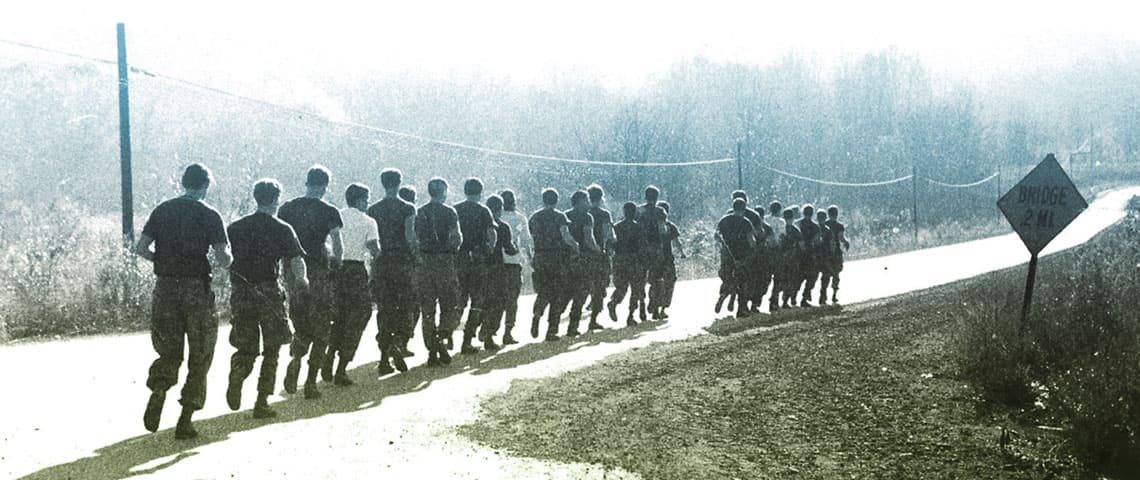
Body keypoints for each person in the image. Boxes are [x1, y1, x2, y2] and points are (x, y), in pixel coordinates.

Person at [134, 163, 231, 439]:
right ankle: (185, 419)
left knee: (168, 349)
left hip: (164, 287)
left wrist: (161, 261)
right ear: (205, 186)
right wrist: (227, 260)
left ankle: (160, 388)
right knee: (201, 352)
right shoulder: (210, 214)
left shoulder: (162, 210)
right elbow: (224, 258)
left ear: (183, 183)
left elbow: (141, 248)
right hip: (196, 289)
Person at [225, 179, 308, 419]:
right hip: (269, 290)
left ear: (256, 197)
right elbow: (295, 259)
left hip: (241, 289)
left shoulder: (235, 227)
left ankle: (238, 373)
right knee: (273, 347)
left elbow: (225, 257)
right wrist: (302, 281)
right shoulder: (282, 227)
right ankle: (262, 402)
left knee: (246, 342)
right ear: (275, 199)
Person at [278, 165, 343, 399]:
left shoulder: (287, 207)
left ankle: (296, 358)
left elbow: (278, 237)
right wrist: (337, 263)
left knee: (301, 319)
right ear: (325, 186)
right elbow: (337, 241)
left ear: (307, 183)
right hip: (318, 269)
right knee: (322, 324)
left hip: (292, 271)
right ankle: (311, 382)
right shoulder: (329, 210)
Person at [324, 183, 380, 384]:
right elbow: (374, 248)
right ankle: (341, 366)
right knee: (359, 317)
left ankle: (329, 353)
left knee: (339, 314)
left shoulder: (335, 215)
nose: (368, 203)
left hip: (335, 269)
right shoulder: (368, 221)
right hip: (356, 270)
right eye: (367, 199)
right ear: (359, 200)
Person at [366, 168, 418, 375]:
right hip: (402, 263)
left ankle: (383, 359)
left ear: (382, 183)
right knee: (406, 306)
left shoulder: (373, 209)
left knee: (385, 310)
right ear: (399, 183)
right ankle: (399, 341)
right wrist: (417, 258)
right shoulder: (407, 207)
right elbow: (410, 237)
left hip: (381, 263)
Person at [415, 178, 462, 366]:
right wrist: (452, 250)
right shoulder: (450, 212)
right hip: (444, 261)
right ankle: (442, 337)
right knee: (449, 305)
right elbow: (456, 237)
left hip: (425, 263)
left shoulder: (420, 212)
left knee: (427, 310)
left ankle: (432, 349)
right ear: (443, 191)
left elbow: (415, 238)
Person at [529, 188, 579, 341]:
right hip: (557, 258)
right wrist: (575, 246)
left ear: (543, 200)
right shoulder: (560, 216)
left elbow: (531, 238)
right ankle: (552, 330)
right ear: (556, 200)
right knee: (557, 294)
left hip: (540, 256)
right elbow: (565, 236)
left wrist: (533, 256)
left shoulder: (534, 217)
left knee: (544, 290)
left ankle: (537, 313)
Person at [455, 178, 498, 354]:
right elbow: (492, 234)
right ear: (480, 192)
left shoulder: (456, 209)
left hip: (459, 259)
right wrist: (488, 250)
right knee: (477, 301)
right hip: (478, 260)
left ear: (465, 191)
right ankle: (467, 341)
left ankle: (445, 334)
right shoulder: (483, 210)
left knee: (459, 300)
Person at [482, 194, 520, 346]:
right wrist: (515, 247)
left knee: (482, 300)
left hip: (479, 266)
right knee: (499, 302)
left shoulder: (478, 223)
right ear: (500, 209)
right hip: (497, 268)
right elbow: (510, 249)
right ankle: (490, 334)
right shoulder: (503, 227)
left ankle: (477, 328)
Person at [495, 190, 529, 345]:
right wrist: (528, 259)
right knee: (512, 300)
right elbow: (525, 242)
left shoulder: (495, 216)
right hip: (513, 262)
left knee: (495, 298)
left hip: (496, 262)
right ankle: (507, 332)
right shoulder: (520, 218)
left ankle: (490, 329)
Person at [564, 190, 599, 336]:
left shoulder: (565, 215)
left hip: (567, 258)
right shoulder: (587, 217)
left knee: (565, 291)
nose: (588, 203)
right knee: (581, 292)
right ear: (579, 202)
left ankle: (551, 323)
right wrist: (598, 250)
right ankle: (573, 327)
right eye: (586, 200)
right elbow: (588, 238)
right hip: (584, 258)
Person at [607, 202, 647, 326]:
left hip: (619, 259)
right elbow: (642, 246)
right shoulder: (638, 227)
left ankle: (613, 302)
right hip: (634, 259)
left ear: (624, 212)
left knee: (621, 287)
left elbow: (611, 243)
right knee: (635, 289)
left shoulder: (617, 227)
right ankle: (630, 316)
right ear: (634, 213)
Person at [714, 198, 755, 315]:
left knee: (728, 278)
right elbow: (751, 240)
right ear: (744, 209)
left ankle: (723, 295)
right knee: (743, 281)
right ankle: (741, 308)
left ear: (733, 208)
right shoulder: (746, 222)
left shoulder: (724, 220)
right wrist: (752, 250)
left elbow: (716, 236)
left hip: (726, 255)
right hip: (742, 256)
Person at [726, 191, 764, 312]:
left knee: (733, 276)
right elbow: (759, 233)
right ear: (746, 201)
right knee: (751, 278)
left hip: (730, 252)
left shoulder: (728, 215)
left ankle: (732, 293)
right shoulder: (753, 215)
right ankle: (747, 305)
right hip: (748, 253)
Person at [634, 186, 667, 322]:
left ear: (645, 196)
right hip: (655, 249)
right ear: (657, 197)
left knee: (641, 279)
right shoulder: (660, 211)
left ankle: (641, 306)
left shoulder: (638, 211)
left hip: (641, 249)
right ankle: (654, 308)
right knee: (656, 280)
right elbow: (662, 230)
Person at [649, 201, 686, 320]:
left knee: (655, 282)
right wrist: (682, 253)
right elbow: (676, 242)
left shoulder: (650, 226)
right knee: (669, 283)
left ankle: (654, 305)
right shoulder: (670, 226)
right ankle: (663, 308)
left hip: (654, 259)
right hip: (667, 259)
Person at [585, 185, 615, 330]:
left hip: (582, 254)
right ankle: (594, 319)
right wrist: (610, 247)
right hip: (599, 253)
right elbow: (609, 234)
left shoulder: (583, 212)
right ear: (601, 197)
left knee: (585, 283)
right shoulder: (604, 214)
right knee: (601, 285)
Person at [397, 185, 419, 357]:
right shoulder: (411, 213)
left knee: (389, 306)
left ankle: (389, 342)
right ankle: (402, 341)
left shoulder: (378, 210)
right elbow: (412, 240)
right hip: (407, 264)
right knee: (412, 305)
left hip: (383, 264)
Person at [820, 205, 850, 304]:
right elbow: (841, 238)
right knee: (836, 274)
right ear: (837, 214)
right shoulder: (839, 226)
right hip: (836, 252)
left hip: (825, 252)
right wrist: (846, 243)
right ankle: (834, 295)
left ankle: (823, 296)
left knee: (826, 274)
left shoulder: (824, 224)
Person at [777, 206, 803, 309]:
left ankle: (775, 302)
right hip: (792, 257)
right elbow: (801, 245)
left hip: (781, 257)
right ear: (792, 218)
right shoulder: (795, 230)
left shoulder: (781, 228)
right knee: (791, 279)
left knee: (781, 279)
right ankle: (785, 301)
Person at [796, 204, 821, 307]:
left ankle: (791, 298)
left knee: (798, 277)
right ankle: (804, 297)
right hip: (810, 255)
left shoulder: (797, 224)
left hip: (798, 254)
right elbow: (817, 241)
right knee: (811, 277)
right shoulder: (815, 227)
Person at [767, 201, 785, 311]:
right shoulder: (781, 222)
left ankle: (756, 302)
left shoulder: (765, 219)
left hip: (765, 251)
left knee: (766, 277)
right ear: (779, 210)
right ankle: (774, 300)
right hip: (777, 251)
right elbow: (783, 236)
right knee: (778, 277)